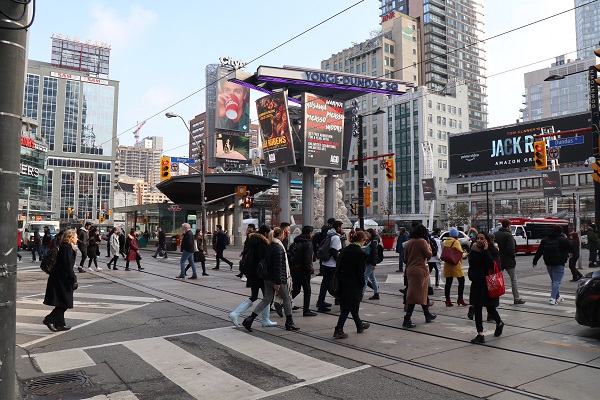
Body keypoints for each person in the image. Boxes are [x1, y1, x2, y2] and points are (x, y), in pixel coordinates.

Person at [242, 227, 299, 332]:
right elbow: (277, 266)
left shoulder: (270, 245)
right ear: (281, 235)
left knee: (266, 299)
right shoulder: (278, 247)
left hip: (267, 278)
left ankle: (250, 319)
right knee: (286, 298)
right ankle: (289, 321)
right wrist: (278, 282)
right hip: (276, 278)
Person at [229, 225, 275, 328]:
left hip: (251, 273)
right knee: (267, 297)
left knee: (255, 296)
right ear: (266, 233)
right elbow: (263, 260)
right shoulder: (262, 245)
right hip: (260, 274)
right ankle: (265, 320)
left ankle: (236, 313)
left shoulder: (252, 241)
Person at [467, 232, 504, 344]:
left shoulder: (493, 250)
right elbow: (471, 265)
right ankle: (480, 334)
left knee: (491, 308)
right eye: (477, 238)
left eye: (481, 238)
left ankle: (499, 323)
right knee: (477, 308)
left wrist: (486, 250)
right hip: (477, 283)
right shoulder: (473, 250)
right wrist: (471, 275)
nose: (479, 240)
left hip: (489, 284)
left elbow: (491, 265)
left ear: (486, 240)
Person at [333, 231, 371, 339]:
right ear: (363, 240)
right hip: (354, 284)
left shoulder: (345, 250)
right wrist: (362, 283)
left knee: (352, 306)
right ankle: (338, 329)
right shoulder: (360, 253)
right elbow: (360, 272)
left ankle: (359, 325)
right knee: (347, 307)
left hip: (344, 281)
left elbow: (338, 267)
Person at [42, 229, 78, 332]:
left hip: (60, 278)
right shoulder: (67, 248)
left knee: (61, 302)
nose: (77, 238)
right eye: (75, 236)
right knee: (65, 302)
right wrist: (73, 279)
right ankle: (49, 319)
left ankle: (60, 324)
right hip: (61, 279)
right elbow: (67, 266)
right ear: (71, 238)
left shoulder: (66, 247)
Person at [402, 224, 436, 328]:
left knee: (422, 292)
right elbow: (429, 255)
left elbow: (405, 258)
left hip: (411, 269)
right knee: (414, 295)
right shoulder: (422, 241)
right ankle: (407, 318)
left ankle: (427, 314)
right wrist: (429, 245)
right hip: (420, 269)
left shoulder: (410, 242)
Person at [533, 225, 574, 305]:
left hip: (548, 263)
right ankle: (552, 298)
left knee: (554, 281)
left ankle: (557, 297)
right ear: (561, 231)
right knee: (557, 281)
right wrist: (566, 238)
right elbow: (572, 246)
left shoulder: (545, 239)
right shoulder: (563, 240)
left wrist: (535, 261)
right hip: (559, 262)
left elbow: (539, 251)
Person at [494, 219, 526, 305]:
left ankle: (495, 298)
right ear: (508, 226)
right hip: (508, 261)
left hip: (498, 260)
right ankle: (516, 298)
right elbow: (511, 249)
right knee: (513, 279)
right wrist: (513, 256)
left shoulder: (495, 234)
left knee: (497, 279)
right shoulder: (509, 235)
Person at [316, 220, 344, 312]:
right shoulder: (335, 237)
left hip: (326, 263)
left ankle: (320, 302)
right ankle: (340, 301)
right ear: (338, 227)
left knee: (325, 284)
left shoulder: (329, 235)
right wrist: (339, 262)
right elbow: (334, 251)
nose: (342, 229)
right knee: (337, 284)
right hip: (332, 265)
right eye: (341, 227)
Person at [290, 225, 318, 317]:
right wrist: (310, 268)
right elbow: (307, 259)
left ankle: (283, 301)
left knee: (296, 289)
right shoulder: (308, 243)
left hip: (294, 269)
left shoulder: (295, 242)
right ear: (310, 233)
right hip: (303, 270)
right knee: (307, 290)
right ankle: (306, 310)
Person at [443, 228, 468, 307]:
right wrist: (465, 254)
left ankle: (447, 300)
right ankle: (460, 298)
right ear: (456, 235)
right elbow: (460, 254)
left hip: (447, 264)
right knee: (461, 281)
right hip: (455, 265)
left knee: (448, 283)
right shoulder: (456, 242)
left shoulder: (446, 241)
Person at [363, 228, 381, 300]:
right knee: (372, 278)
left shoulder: (373, 241)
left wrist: (374, 263)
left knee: (365, 277)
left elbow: (374, 253)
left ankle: (361, 293)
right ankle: (376, 293)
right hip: (369, 261)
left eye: (367, 233)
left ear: (371, 233)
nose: (366, 235)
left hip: (370, 261)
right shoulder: (371, 240)